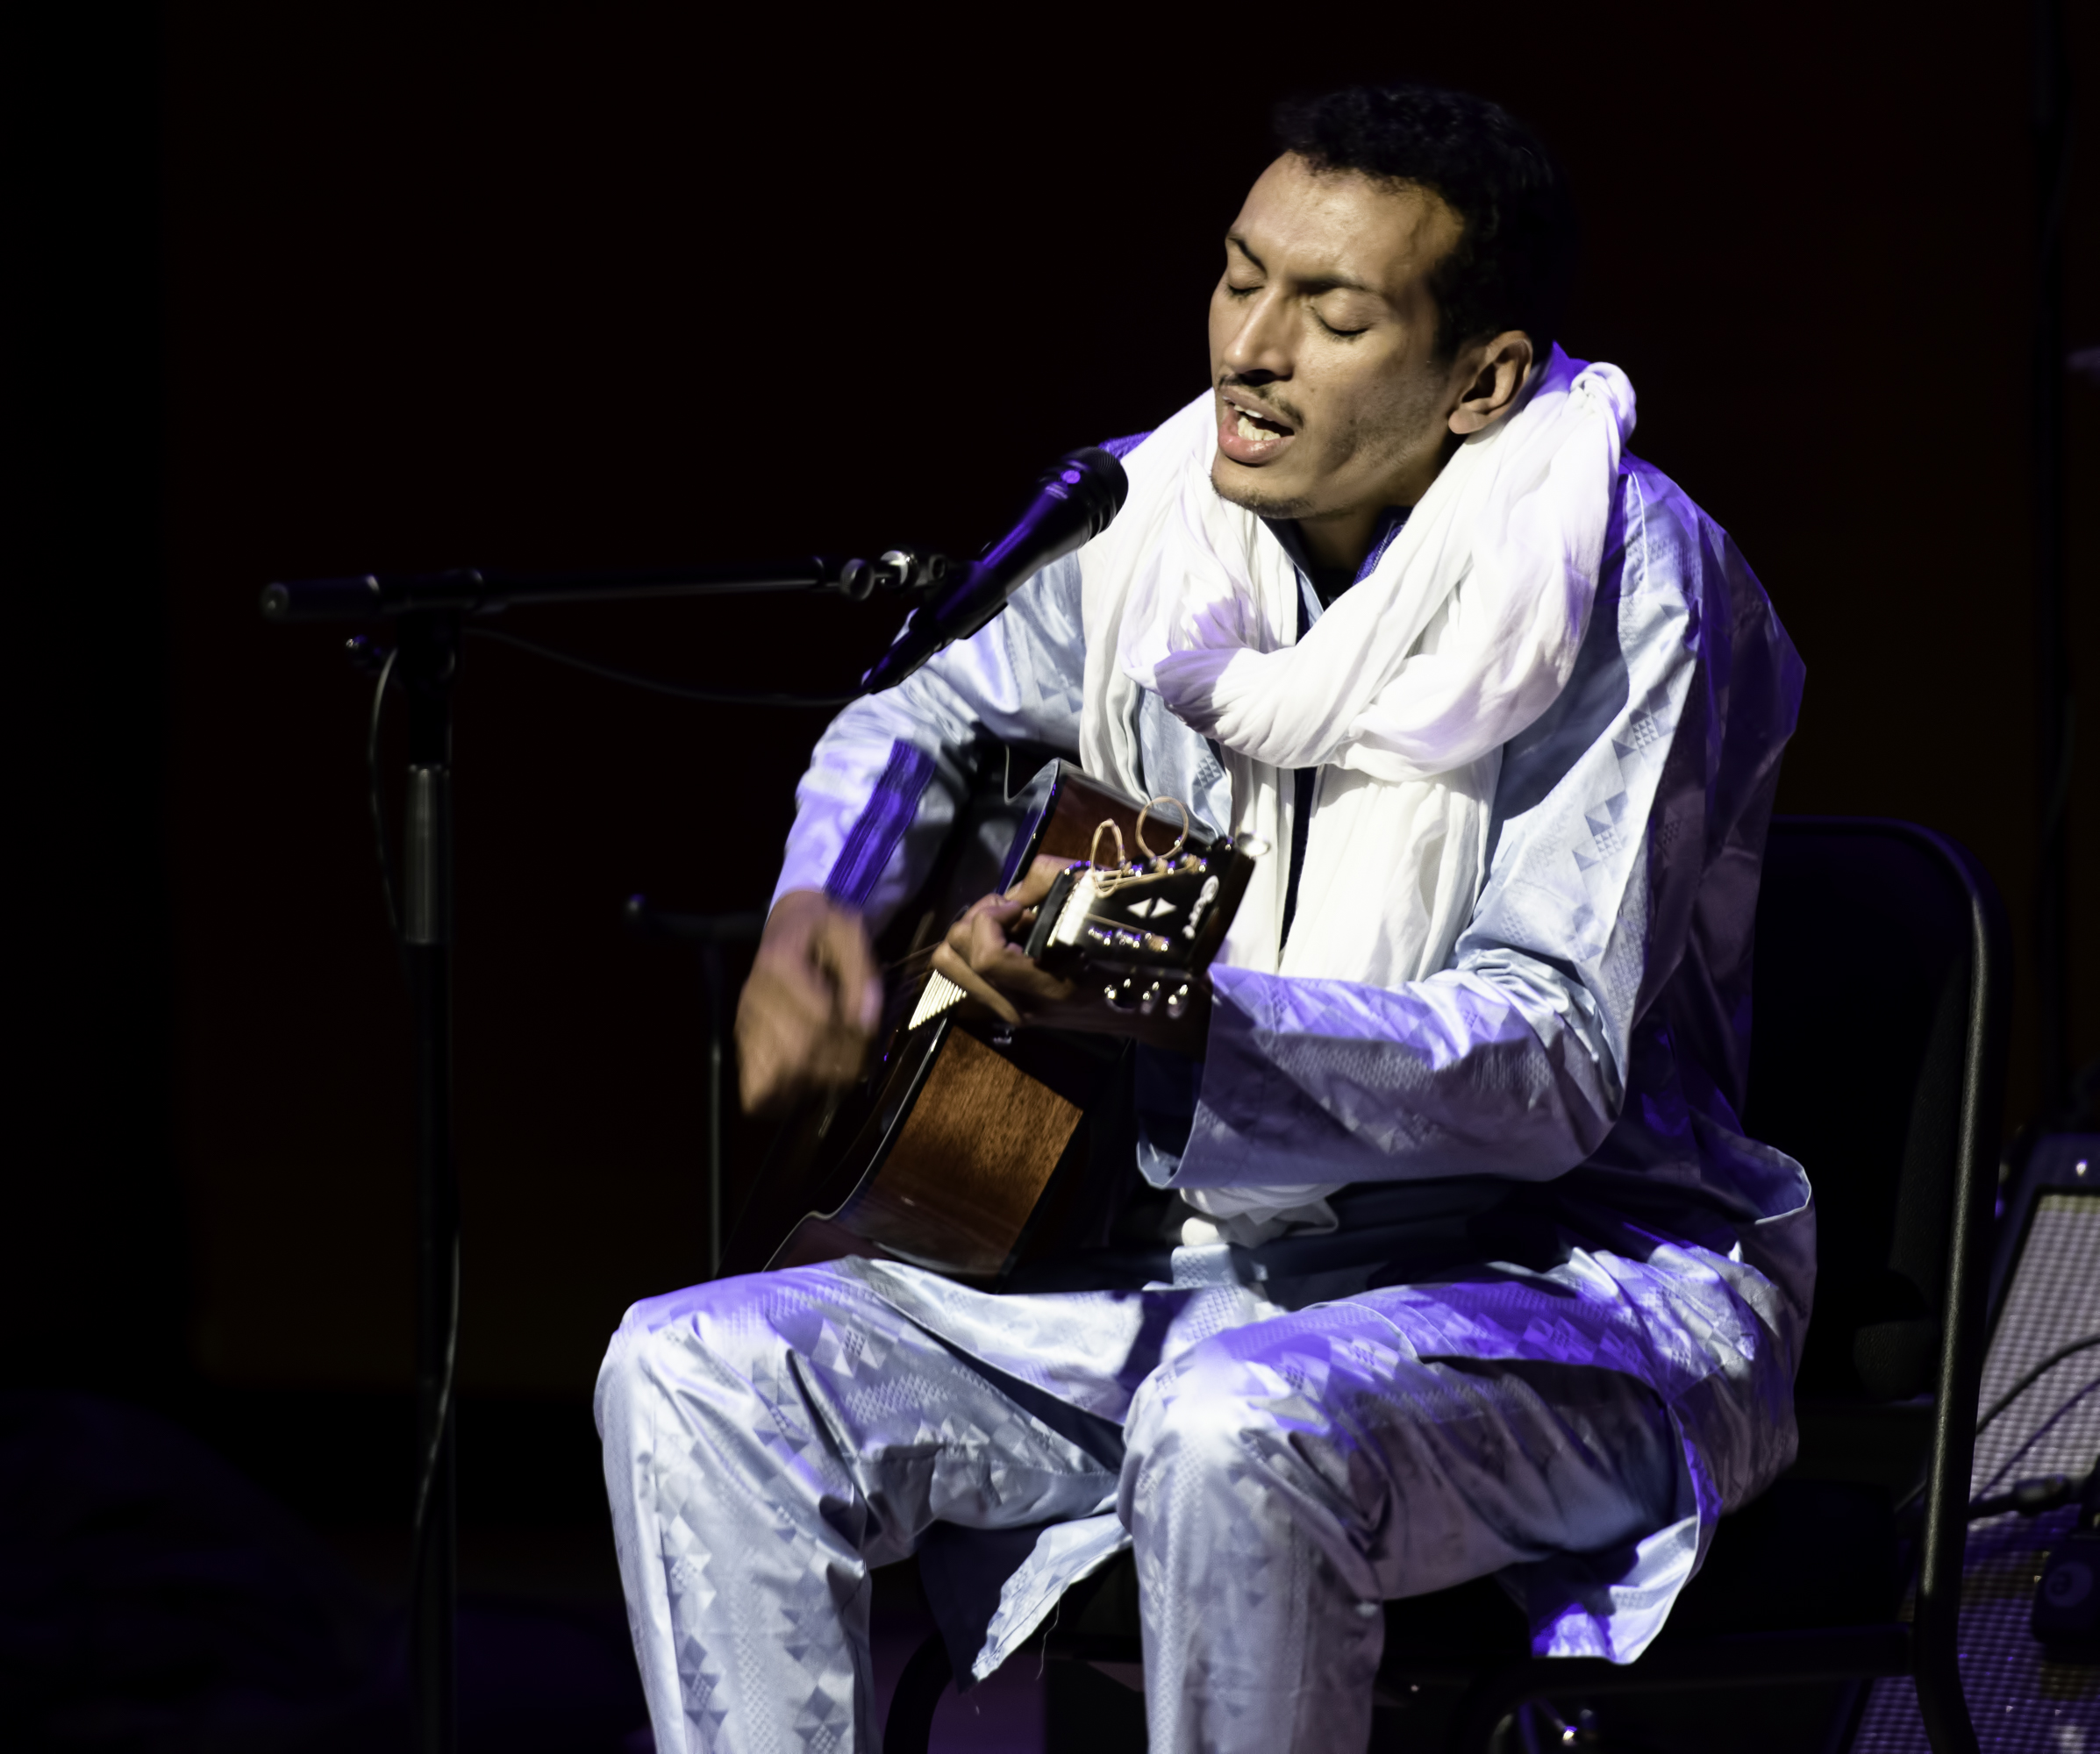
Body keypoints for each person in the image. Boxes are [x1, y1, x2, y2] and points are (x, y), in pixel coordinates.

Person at [596, 81, 1810, 1753]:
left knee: (1236, 1424)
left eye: (1331, 313)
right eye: (1240, 279)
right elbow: (916, 715)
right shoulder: (1153, 523)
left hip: (1563, 1294)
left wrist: (1188, 1017)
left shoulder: (1619, 580)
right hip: (1190, 1272)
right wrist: (833, 895)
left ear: (1483, 381)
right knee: (698, 1369)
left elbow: (1549, 1065)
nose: (1251, 347)